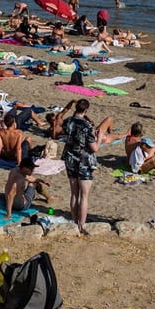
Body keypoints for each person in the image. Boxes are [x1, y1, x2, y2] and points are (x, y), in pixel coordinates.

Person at [62, 98, 99, 234]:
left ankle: (74, 221)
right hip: (84, 160)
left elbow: (64, 125)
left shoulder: (68, 122)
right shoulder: (87, 126)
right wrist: (99, 138)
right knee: (84, 196)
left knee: (74, 194)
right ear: (86, 110)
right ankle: (81, 225)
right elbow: (94, 148)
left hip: (70, 158)